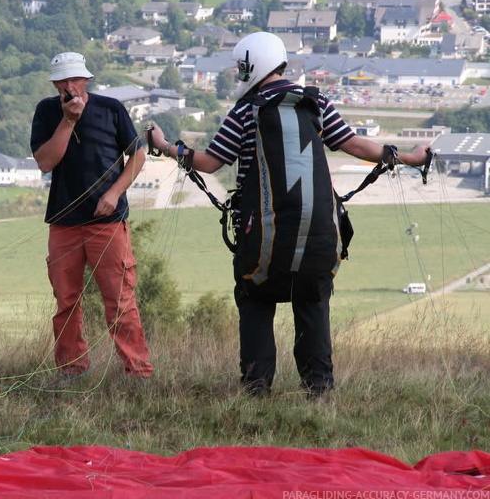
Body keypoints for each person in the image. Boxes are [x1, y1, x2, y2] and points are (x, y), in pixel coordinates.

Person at [148, 32, 430, 398]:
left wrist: (166, 146)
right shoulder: (317, 104)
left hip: (264, 242)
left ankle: (257, 390)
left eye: (241, 67)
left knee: (256, 300)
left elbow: (210, 161)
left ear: (253, 64)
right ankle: (319, 391)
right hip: (319, 240)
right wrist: (409, 157)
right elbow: (356, 145)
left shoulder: (246, 111)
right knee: (312, 301)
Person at [30, 52, 153, 379]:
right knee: (66, 302)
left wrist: (114, 194)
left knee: (120, 301)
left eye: (76, 80)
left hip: (108, 223)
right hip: (63, 222)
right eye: (64, 81)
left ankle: (138, 373)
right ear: (56, 84)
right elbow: (45, 162)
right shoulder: (46, 111)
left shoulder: (111, 109)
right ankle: (72, 371)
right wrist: (68, 121)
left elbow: (138, 155)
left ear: (86, 79)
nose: (71, 87)